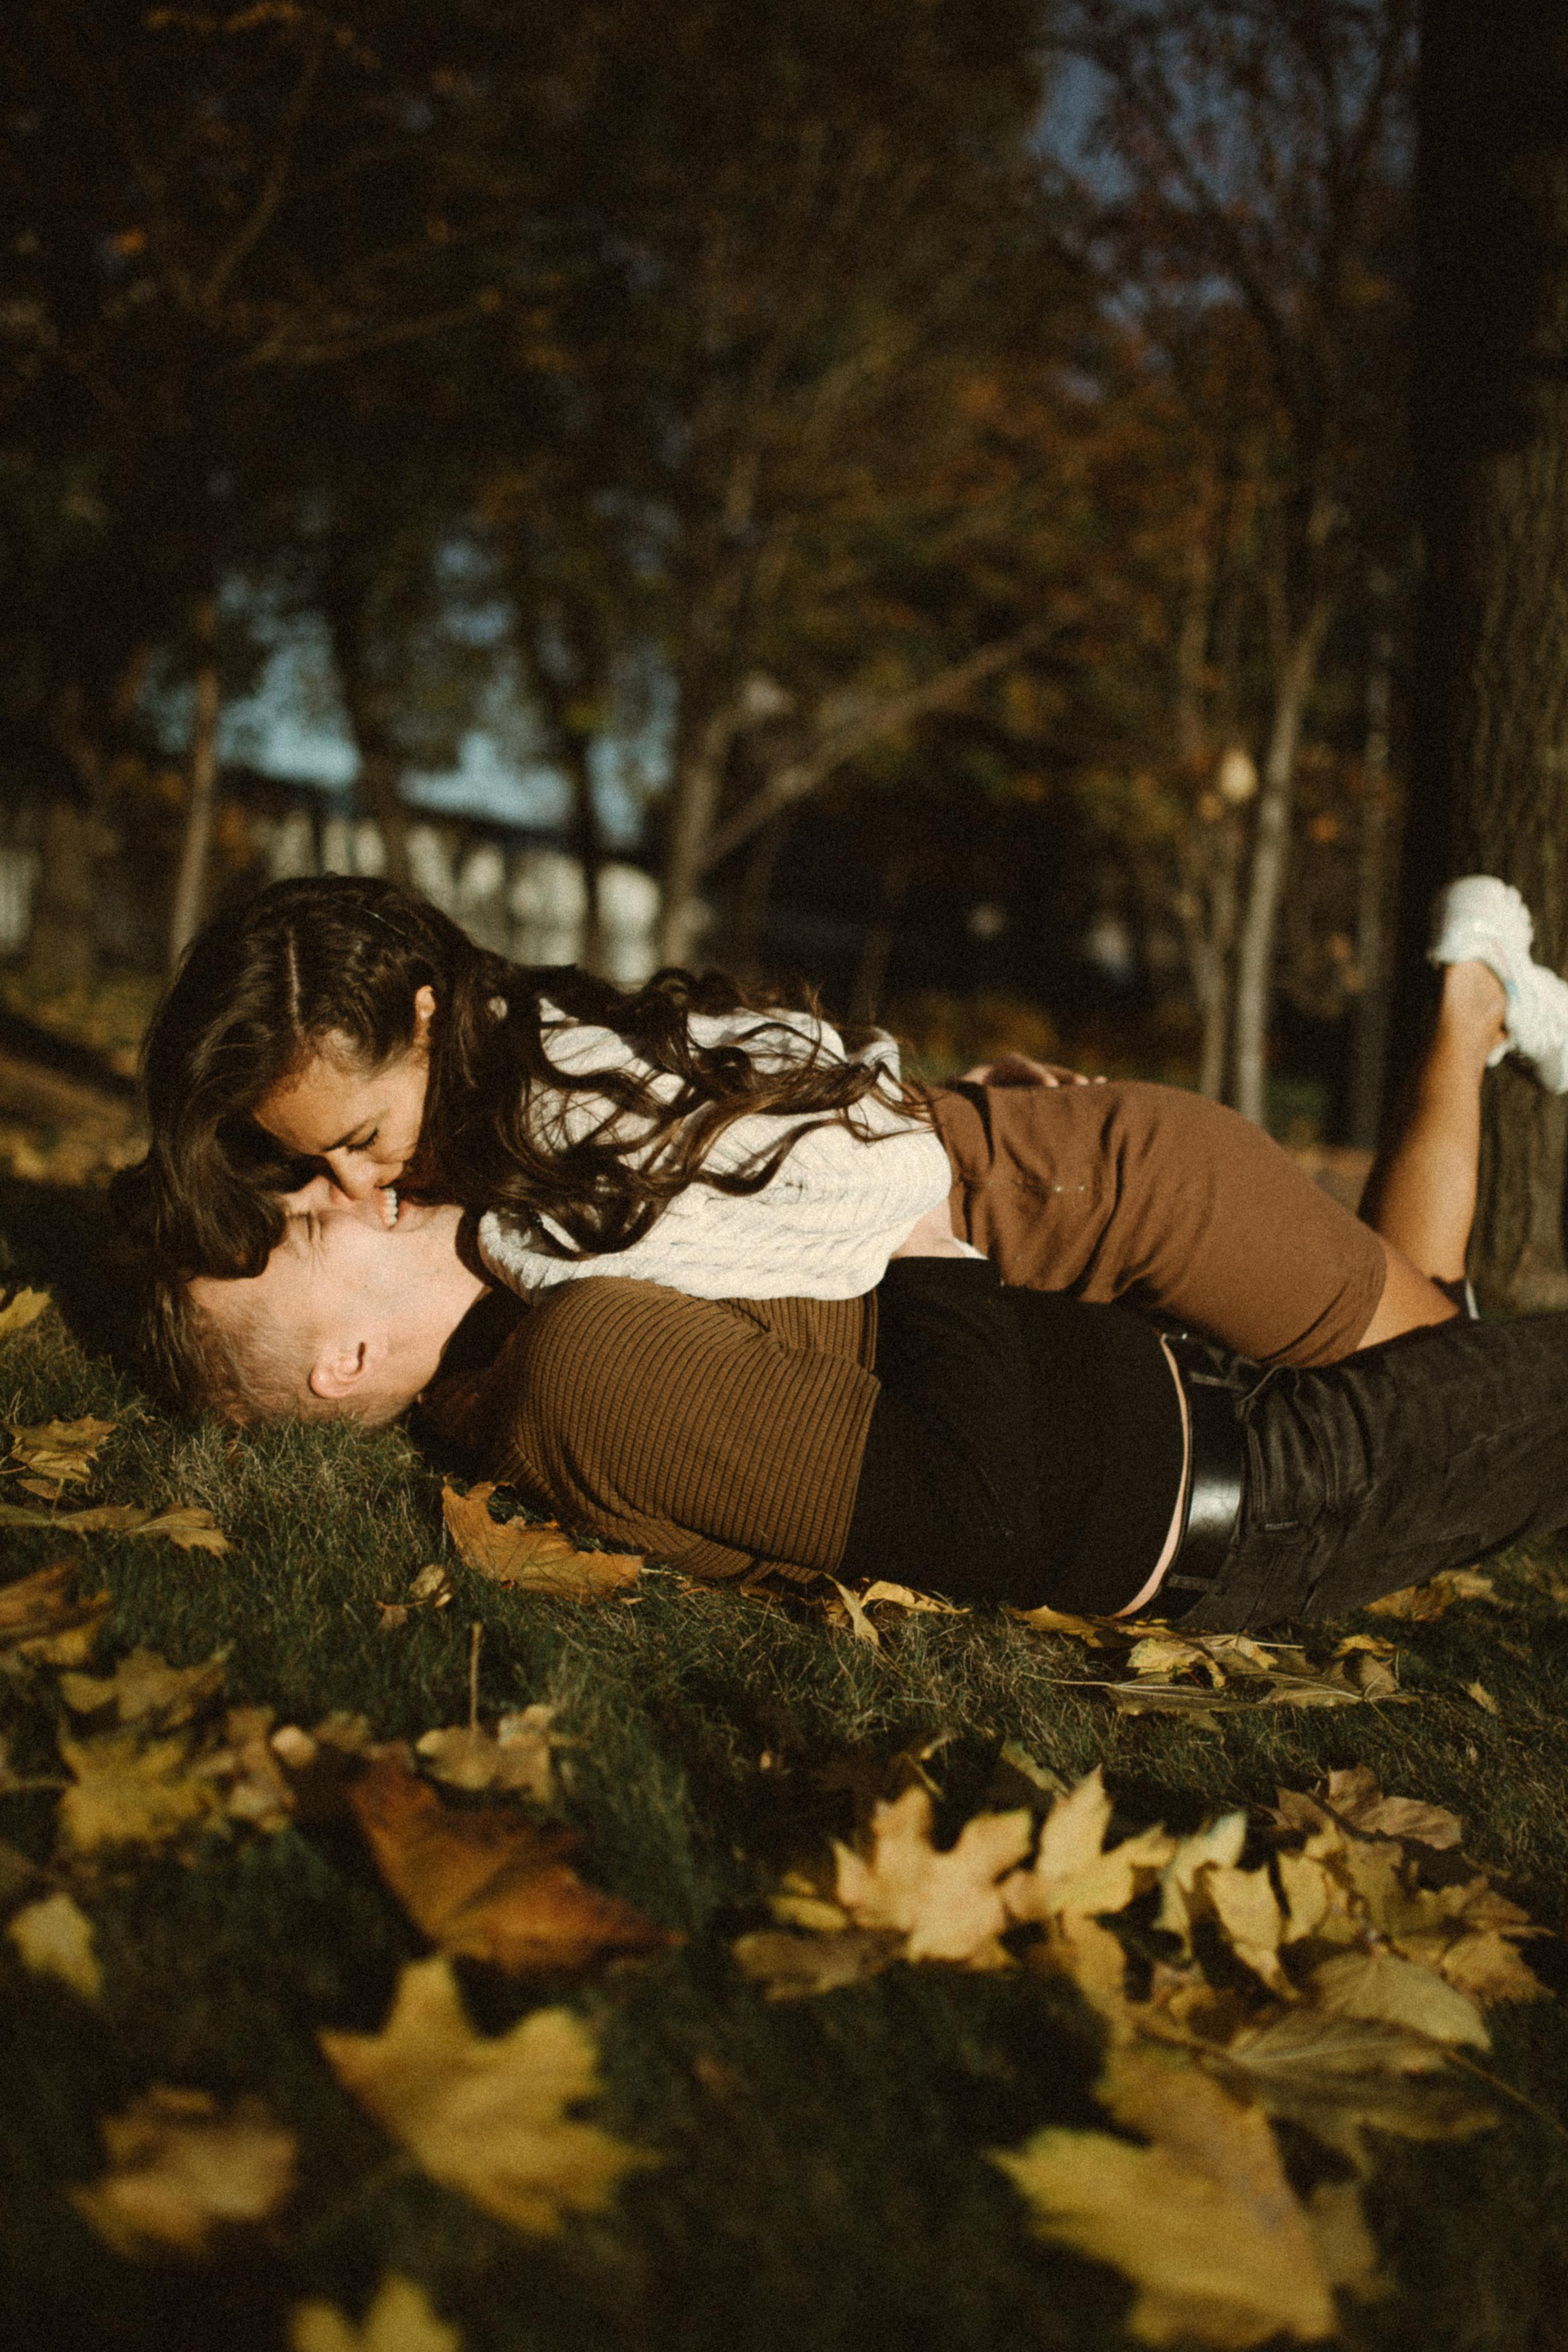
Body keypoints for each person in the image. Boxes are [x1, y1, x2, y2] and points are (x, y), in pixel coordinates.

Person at [116, 872, 1568, 1420]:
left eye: (365, 1140)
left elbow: (862, 1188)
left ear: (426, 1020)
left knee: (1441, 1384)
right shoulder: (512, 1067)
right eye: (316, 1170)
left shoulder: (542, 1122)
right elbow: (774, 1088)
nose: (362, 1189)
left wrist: (520, 1257)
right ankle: (1475, 992)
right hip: (1045, 1165)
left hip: (1112, 1197)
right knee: (1414, 1319)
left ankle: (1462, 999)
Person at [174, 1179, 1568, 1634]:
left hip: (1212, 1391)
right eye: (308, 1230)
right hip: (1259, 1481)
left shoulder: (546, 1317)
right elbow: (975, 1506)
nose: (346, 1187)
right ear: (342, 1365)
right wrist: (920, 1227)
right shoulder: (583, 1371)